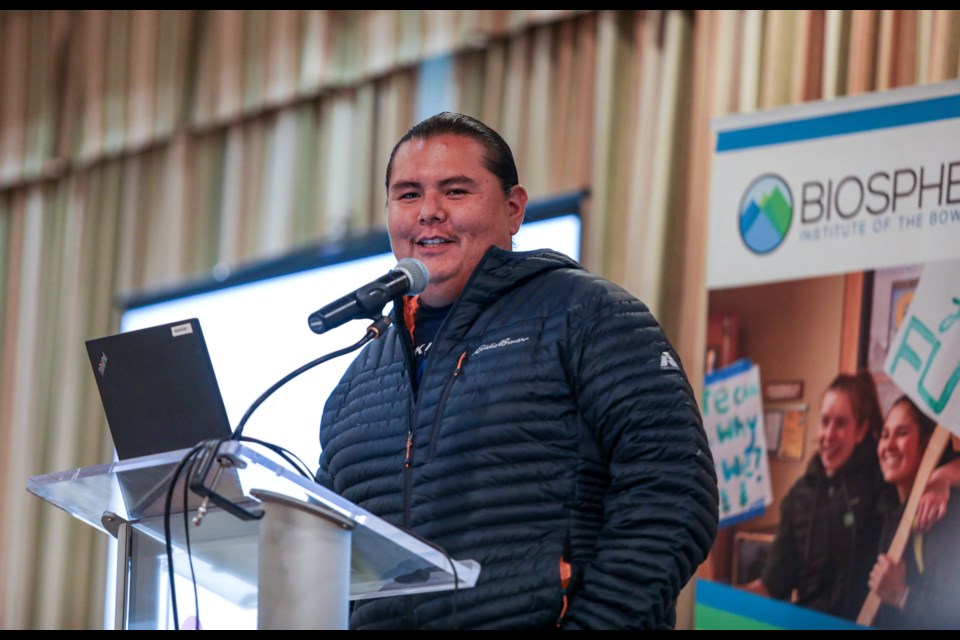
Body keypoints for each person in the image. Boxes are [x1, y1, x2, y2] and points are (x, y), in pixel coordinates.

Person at [314, 111, 719, 629]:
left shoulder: (586, 314)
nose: (429, 213)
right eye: (408, 194)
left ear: (513, 209)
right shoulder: (357, 382)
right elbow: (324, 552)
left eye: (456, 191)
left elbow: (675, 493)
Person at [740, 371, 887, 621]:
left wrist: (942, 479)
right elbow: (773, 585)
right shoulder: (798, 497)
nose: (829, 435)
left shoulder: (882, 483)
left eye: (840, 424)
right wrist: (723, 598)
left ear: (861, 430)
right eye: (825, 421)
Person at [868, 395, 960, 629]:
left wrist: (902, 595)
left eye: (901, 433)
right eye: (885, 434)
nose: (888, 445)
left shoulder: (946, 514)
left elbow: (952, 616)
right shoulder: (889, 508)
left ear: (928, 444)